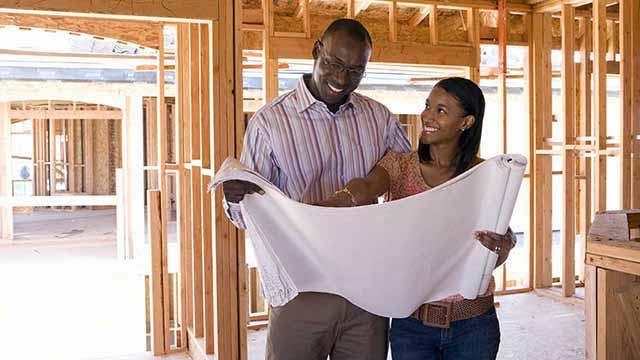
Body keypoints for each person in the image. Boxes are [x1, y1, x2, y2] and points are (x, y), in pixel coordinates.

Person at [222, 19, 413, 360]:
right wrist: (234, 198)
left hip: (366, 290)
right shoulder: (270, 122)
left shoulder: (380, 118)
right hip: (301, 289)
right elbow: (246, 217)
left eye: (355, 70)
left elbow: (410, 182)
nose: (342, 79)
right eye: (334, 64)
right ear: (316, 51)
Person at [319, 77, 516, 360]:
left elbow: (497, 243)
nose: (428, 116)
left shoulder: (486, 175)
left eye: (441, 110)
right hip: (412, 325)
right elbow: (366, 187)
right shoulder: (399, 165)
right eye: (428, 106)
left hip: (473, 325)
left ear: (467, 122)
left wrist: (504, 245)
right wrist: (339, 200)